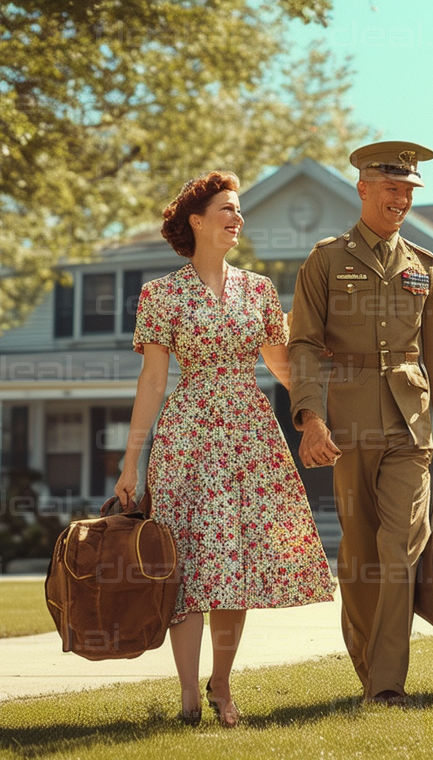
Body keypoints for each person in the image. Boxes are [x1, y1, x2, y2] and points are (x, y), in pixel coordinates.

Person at [114, 171, 335, 727]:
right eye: (227, 209)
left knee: (234, 566)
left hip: (251, 435)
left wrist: (318, 410)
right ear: (196, 220)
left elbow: (283, 367)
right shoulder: (160, 294)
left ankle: (221, 685)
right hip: (187, 438)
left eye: (240, 211)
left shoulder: (259, 290)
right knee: (187, 569)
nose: (237, 219)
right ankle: (189, 698)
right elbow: (152, 382)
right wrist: (129, 461)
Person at [287, 141, 433, 705]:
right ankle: (369, 665)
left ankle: (387, 683)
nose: (401, 200)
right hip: (345, 425)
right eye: (392, 188)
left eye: (409, 191)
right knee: (360, 554)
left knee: (400, 548)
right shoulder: (325, 259)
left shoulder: (424, 264)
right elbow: (302, 344)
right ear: (364, 189)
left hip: (411, 426)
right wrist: (309, 417)